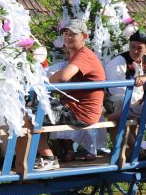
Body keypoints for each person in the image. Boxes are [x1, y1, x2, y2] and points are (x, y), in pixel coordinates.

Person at [34, 19, 106, 171]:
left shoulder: (84, 54)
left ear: (84, 36)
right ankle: (34, 159)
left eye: (73, 34)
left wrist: (40, 82)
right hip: (76, 107)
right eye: (66, 33)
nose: (68, 37)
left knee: (29, 116)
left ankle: (47, 158)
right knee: (32, 109)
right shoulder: (77, 55)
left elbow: (63, 77)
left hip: (81, 112)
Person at [110, 29, 146, 123]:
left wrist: (145, 76)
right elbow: (115, 89)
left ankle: (97, 128)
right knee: (123, 105)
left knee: (113, 117)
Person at [103, 31, 146, 116]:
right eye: (132, 47)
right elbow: (116, 89)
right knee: (121, 99)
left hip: (137, 98)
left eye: (139, 48)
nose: (135, 51)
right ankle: (118, 124)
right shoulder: (119, 61)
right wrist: (139, 98)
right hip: (114, 98)